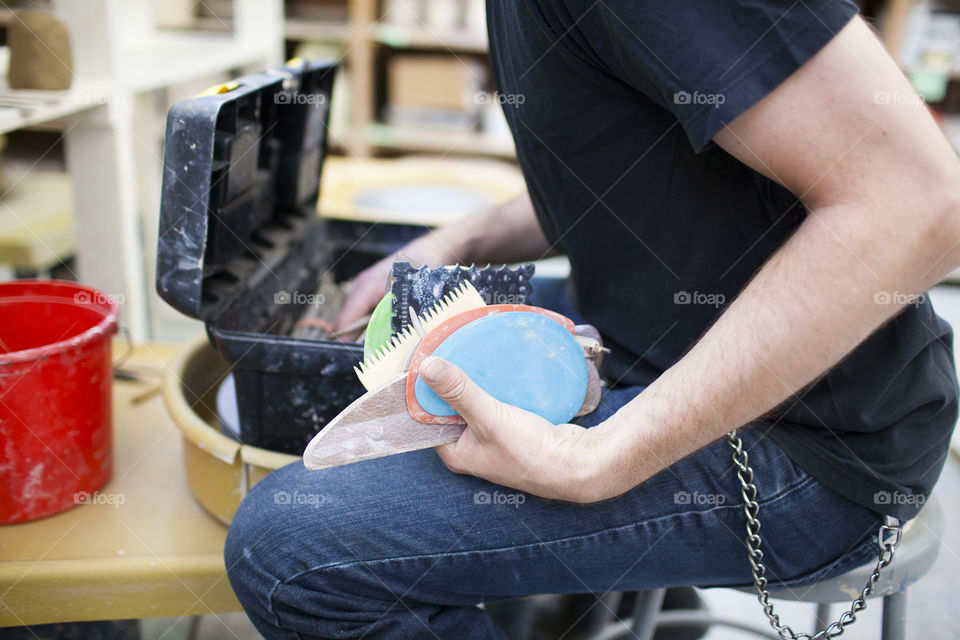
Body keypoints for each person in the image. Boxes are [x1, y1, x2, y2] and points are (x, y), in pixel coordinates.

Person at [225, 2, 960, 638]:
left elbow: (921, 205)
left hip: (811, 440)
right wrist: (465, 238)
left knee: (289, 549)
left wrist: (600, 461)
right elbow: (626, 162)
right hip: (656, 336)